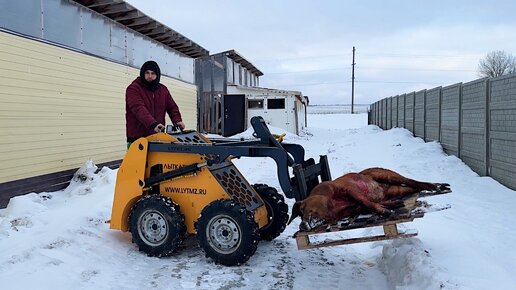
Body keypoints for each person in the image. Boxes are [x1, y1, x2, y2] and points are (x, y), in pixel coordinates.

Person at [125, 60, 185, 147]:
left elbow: (172, 107)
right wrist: (153, 124)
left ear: (157, 75)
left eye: (153, 73)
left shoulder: (163, 90)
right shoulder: (133, 89)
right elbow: (138, 108)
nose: (150, 76)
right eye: (147, 73)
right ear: (142, 73)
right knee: (138, 161)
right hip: (137, 139)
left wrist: (177, 121)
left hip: (157, 138)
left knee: (158, 161)